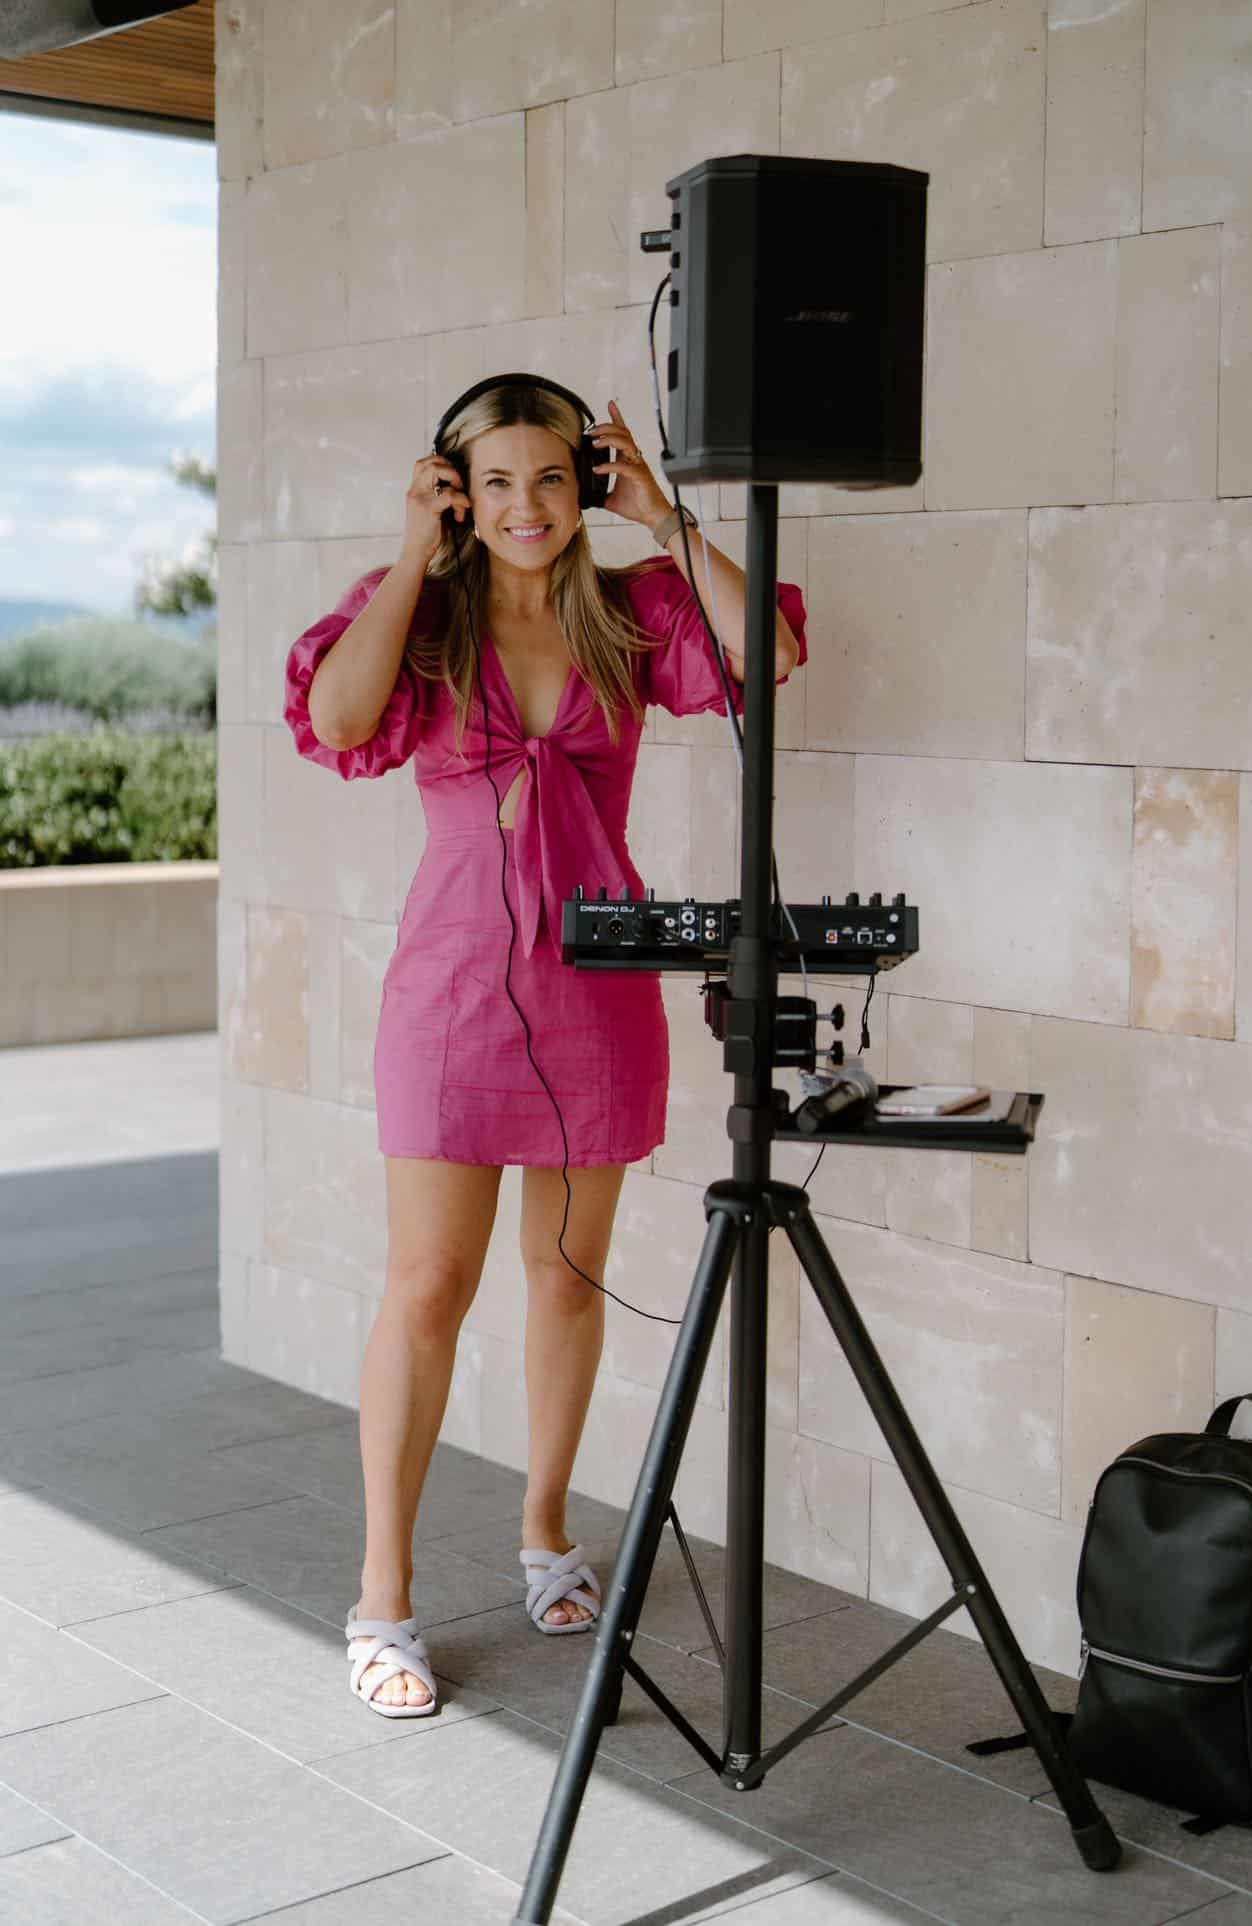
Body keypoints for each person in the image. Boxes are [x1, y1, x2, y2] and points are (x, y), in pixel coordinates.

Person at [281, 376, 807, 1717]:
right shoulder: (430, 611)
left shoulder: (628, 611)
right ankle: (383, 1596)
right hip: (453, 987)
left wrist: (664, 513)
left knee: (567, 1280)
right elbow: (338, 721)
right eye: (496, 482)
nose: (526, 507)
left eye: (552, 479)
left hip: (596, 987)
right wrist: (413, 555)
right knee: (427, 1286)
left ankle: (545, 1531)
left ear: (584, 485)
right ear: (457, 487)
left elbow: (776, 653)